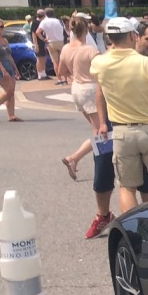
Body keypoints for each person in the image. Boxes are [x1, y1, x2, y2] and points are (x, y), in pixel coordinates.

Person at [90, 17, 148, 214]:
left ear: (110, 38)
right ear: (132, 35)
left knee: (127, 187)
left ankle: (133, 231)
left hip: (121, 131)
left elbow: (100, 85)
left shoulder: (100, 64)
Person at [60, 14, 103, 182]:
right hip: (91, 89)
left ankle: (89, 159)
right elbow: (103, 71)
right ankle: (75, 158)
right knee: (101, 131)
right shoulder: (90, 50)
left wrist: (74, 72)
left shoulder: (66, 48)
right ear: (87, 29)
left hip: (76, 89)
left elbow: (60, 72)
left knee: (98, 129)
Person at [0, 20, 21, 123]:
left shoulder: (5, 40)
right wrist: (3, 70)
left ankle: (11, 115)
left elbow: (9, 55)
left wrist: (15, 69)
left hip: (9, 66)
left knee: (11, 92)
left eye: (1, 26)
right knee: (9, 91)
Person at [40, 8, 66, 84]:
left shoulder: (44, 22)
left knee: (55, 62)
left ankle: (59, 79)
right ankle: (65, 78)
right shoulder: (58, 21)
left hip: (51, 42)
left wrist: (44, 39)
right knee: (63, 61)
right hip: (60, 41)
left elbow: (38, 32)